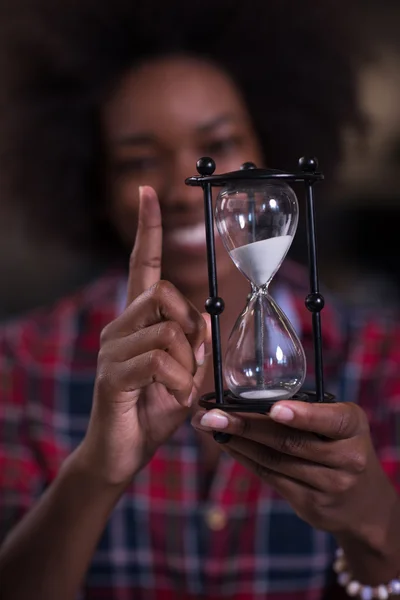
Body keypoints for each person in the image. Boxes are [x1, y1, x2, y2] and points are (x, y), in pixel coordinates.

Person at [0, 1, 399, 599]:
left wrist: (373, 524)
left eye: (217, 144)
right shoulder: (20, 362)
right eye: (139, 160)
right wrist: (95, 474)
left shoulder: (381, 357)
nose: (187, 187)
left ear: (273, 149)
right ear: (93, 180)